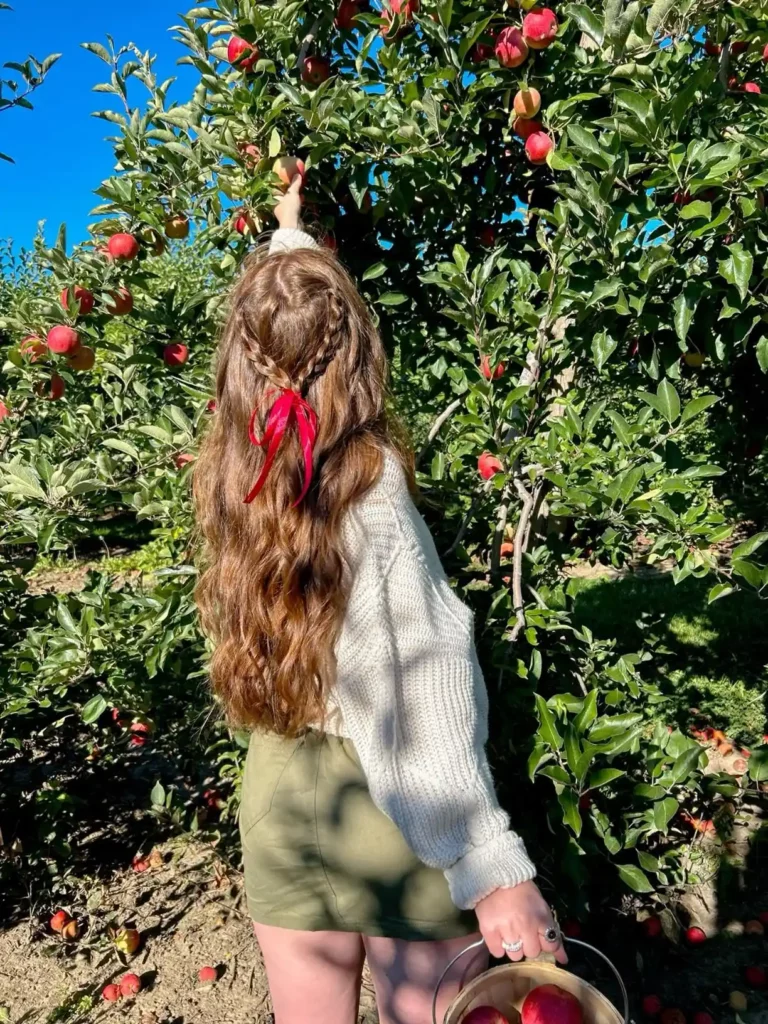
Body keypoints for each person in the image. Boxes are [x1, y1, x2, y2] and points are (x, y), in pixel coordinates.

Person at [192, 175, 566, 1024]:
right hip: (391, 803)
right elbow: (419, 682)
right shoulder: (374, 488)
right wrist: (492, 865)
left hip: (282, 796)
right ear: (356, 351)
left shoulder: (235, 476)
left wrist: (287, 238)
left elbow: (277, 328)